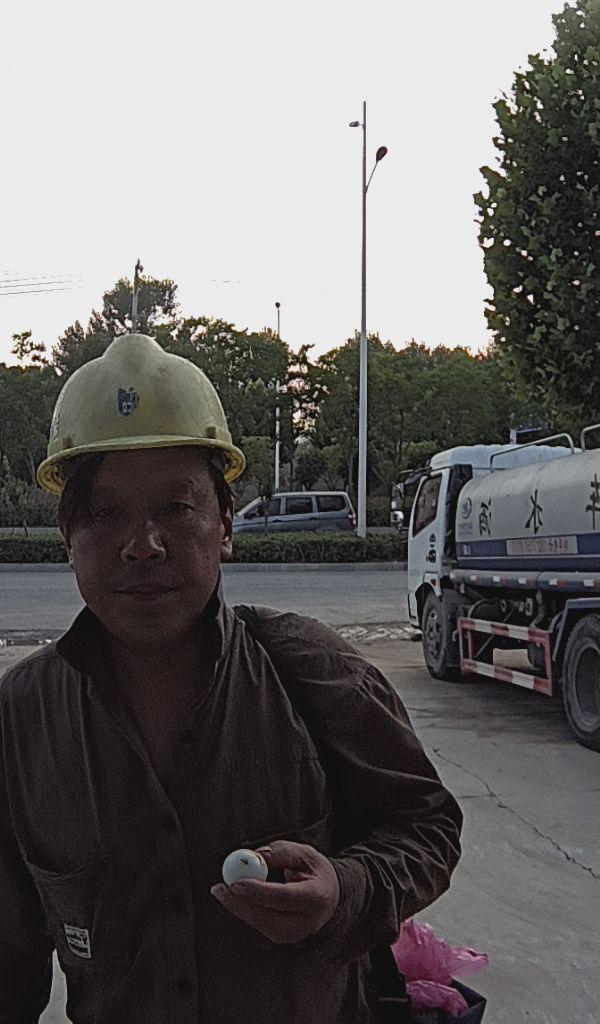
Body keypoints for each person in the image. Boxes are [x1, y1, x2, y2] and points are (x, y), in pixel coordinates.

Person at [0, 333, 462, 1023]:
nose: (143, 544)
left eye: (176, 507)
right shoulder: (22, 717)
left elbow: (427, 823)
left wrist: (346, 888)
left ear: (224, 526)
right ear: (69, 536)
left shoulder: (312, 673)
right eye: (106, 512)